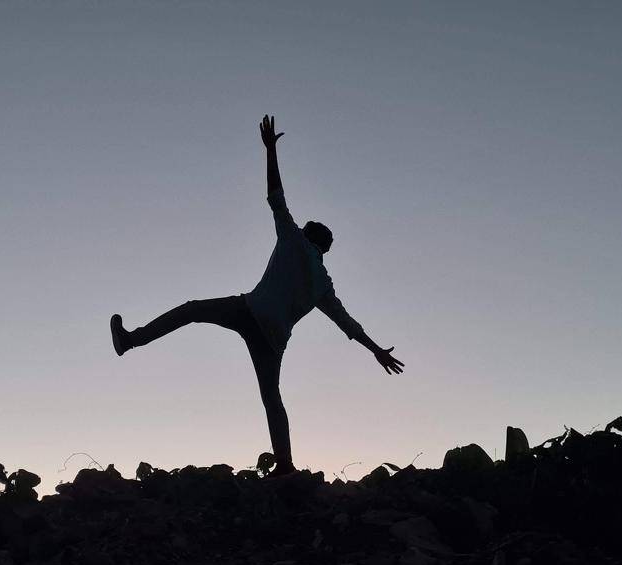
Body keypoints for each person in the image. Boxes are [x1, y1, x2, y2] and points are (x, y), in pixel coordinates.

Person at [109, 115, 404, 473]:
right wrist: (376, 351)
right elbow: (348, 323)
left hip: (248, 311)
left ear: (310, 236)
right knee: (271, 399)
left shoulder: (294, 240)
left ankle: (132, 340)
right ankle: (286, 466)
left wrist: (270, 151)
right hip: (274, 339)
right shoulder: (323, 285)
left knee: (191, 310)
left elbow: (275, 197)